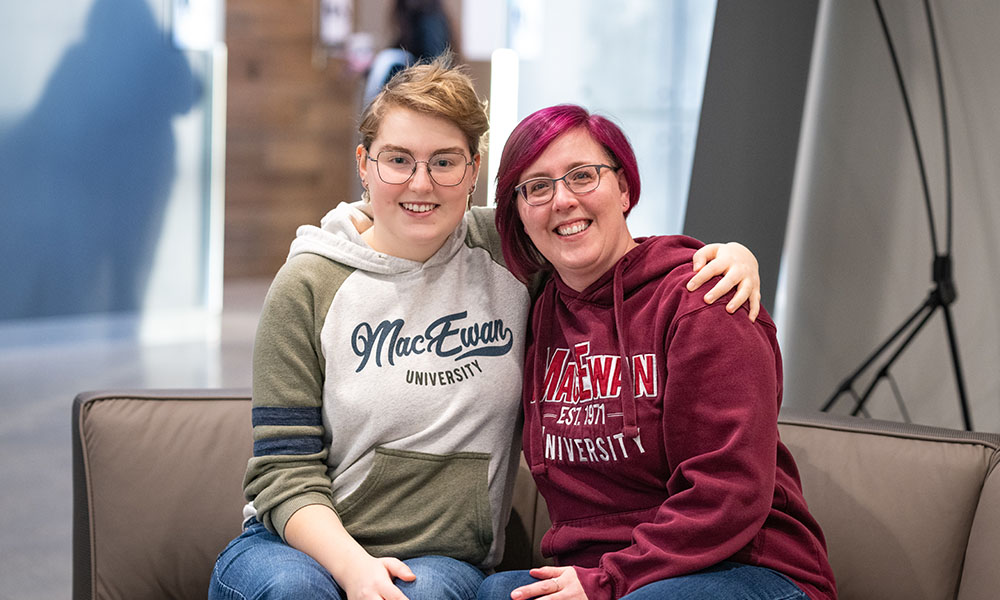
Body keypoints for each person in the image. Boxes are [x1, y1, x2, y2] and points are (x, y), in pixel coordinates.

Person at [209, 58, 763, 600]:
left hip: (439, 557)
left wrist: (726, 255)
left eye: (444, 162)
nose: (420, 184)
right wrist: (355, 570)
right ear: (364, 163)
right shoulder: (307, 283)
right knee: (292, 590)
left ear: (473, 171)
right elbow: (283, 470)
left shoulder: (508, 255)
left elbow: (600, 241)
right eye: (398, 159)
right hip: (295, 547)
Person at [479, 105, 837, 600]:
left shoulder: (705, 299)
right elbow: (422, 221)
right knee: (494, 594)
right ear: (517, 212)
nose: (562, 200)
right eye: (537, 187)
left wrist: (609, 582)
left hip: (746, 567)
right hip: (605, 573)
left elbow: (727, 492)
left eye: (583, 176)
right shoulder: (535, 308)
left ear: (624, 189)